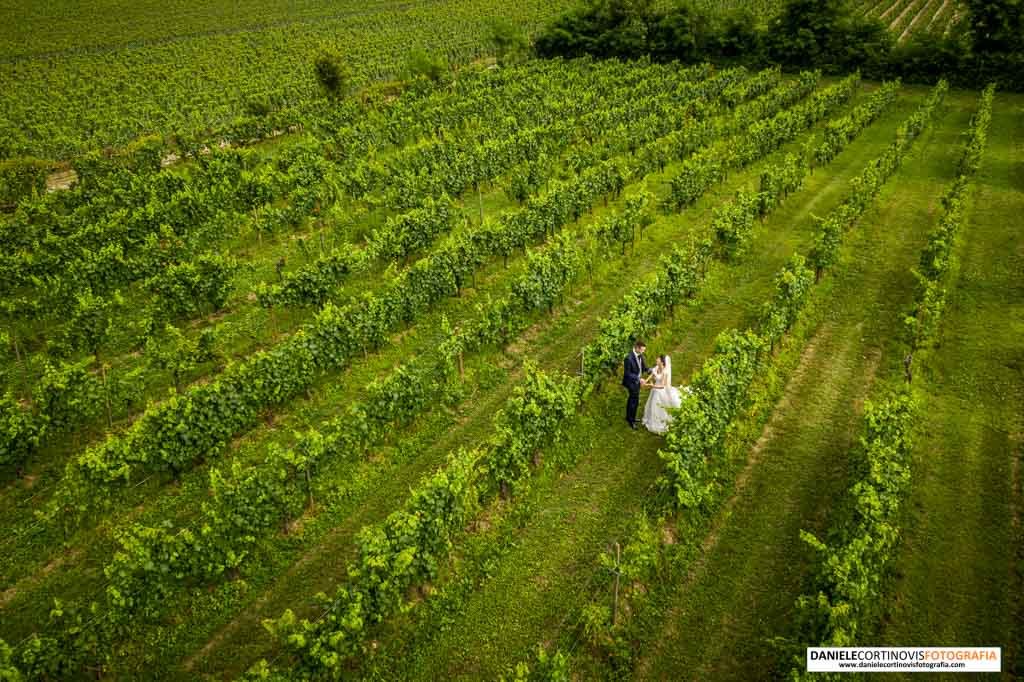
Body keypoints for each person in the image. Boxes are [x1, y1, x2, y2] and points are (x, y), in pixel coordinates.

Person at [642, 355, 681, 434]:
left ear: (662, 362)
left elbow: (662, 386)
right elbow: (652, 374)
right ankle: (651, 419)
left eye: (658, 359)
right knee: (651, 404)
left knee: (656, 406)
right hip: (655, 389)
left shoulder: (665, 372)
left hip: (660, 391)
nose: (656, 359)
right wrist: (645, 381)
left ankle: (659, 422)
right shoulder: (657, 367)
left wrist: (651, 385)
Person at [622, 340, 650, 430]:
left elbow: (644, 367)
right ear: (637, 348)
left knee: (632, 400)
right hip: (631, 383)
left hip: (636, 382)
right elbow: (627, 374)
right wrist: (638, 379)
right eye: (642, 350)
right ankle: (631, 421)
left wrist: (650, 370)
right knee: (634, 401)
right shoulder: (628, 358)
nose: (643, 352)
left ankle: (629, 417)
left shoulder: (640, 355)